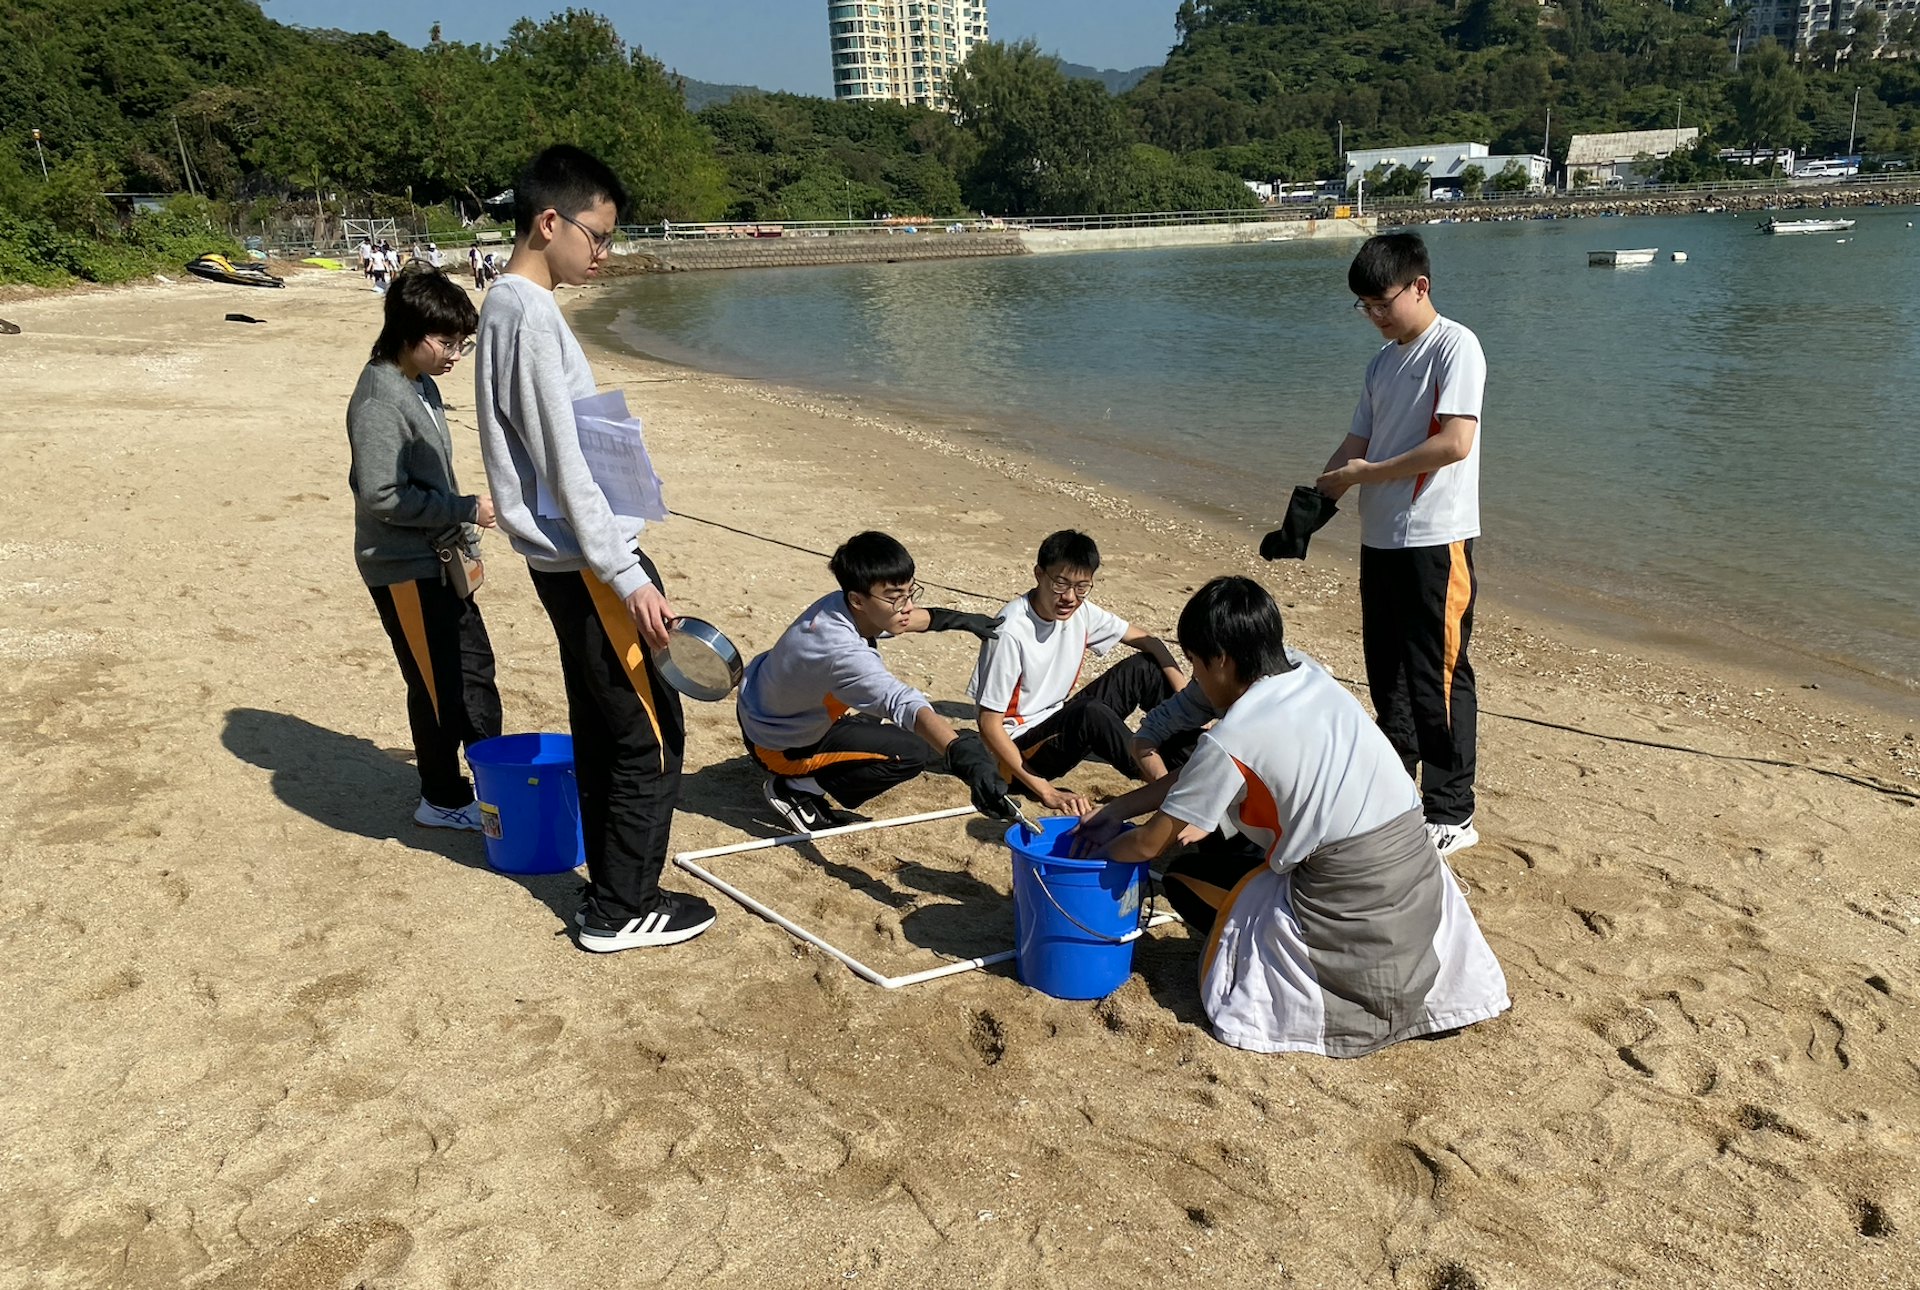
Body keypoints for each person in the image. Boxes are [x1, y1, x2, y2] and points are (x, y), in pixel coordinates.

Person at [1073, 577, 1509, 1058]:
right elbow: (1189, 773)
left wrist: (1094, 850)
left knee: (1181, 876)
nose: (1194, 677)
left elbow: (1148, 845)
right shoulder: (1304, 669)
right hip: (1417, 875)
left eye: (1195, 664)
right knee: (1236, 840)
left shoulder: (1233, 738)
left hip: (1350, 897)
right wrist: (1115, 808)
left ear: (1220, 660)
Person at [474, 143, 714, 953]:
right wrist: (624, 572)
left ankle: (615, 891)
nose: (604, 254)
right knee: (650, 731)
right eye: (598, 236)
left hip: (570, 558)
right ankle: (622, 906)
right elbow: (561, 458)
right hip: (588, 561)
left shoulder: (511, 306)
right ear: (550, 222)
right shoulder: (527, 312)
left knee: (609, 721)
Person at [1313, 232, 1486, 859]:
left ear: (1420, 286)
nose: (1376, 317)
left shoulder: (1455, 346)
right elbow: (1356, 443)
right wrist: (1315, 503)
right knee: (1387, 672)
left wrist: (1364, 475)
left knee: (1436, 675)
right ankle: (1399, 794)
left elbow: (1453, 443)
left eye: (1383, 303)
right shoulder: (1382, 363)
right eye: (1364, 307)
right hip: (1380, 537)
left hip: (1436, 539)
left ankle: (1452, 810)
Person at [346, 266, 502, 831]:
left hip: (440, 561)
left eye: (463, 343)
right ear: (408, 332)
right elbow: (380, 494)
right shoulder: (379, 400)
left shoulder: (420, 384)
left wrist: (463, 533)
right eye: (447, 342)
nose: (456, 354)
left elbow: (425, 476)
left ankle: (493, 781)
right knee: (436, 684)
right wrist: (464, 510)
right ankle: (441, 796)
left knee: (475, 672)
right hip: (404, 569)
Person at [737, 531, 1015, 835]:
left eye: (910, 593)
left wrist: (957, 620)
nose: (907, 606)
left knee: (878, 716)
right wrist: (964, 755)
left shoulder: (838, 604)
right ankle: (796, 788)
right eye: (895, 598)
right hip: (778, 747)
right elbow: (902, 702)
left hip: (763, 706)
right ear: (858, 599)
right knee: (910, 752)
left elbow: (901, 620)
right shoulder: (841, 652)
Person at [967, 529, 1189, 816]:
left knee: (1144, 668)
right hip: (1019, 753)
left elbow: (1149, 641)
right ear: (1039, 574)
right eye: (1060, 584)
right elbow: (989, 725)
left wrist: (1186, 696)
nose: (1070, 597)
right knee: (1090, 713)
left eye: (1082, 587)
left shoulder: (1080, 611)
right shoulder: (1010, 631)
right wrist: (1048, 792)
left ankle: (1193, 759)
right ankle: (1167, 783)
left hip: (1059, 720)